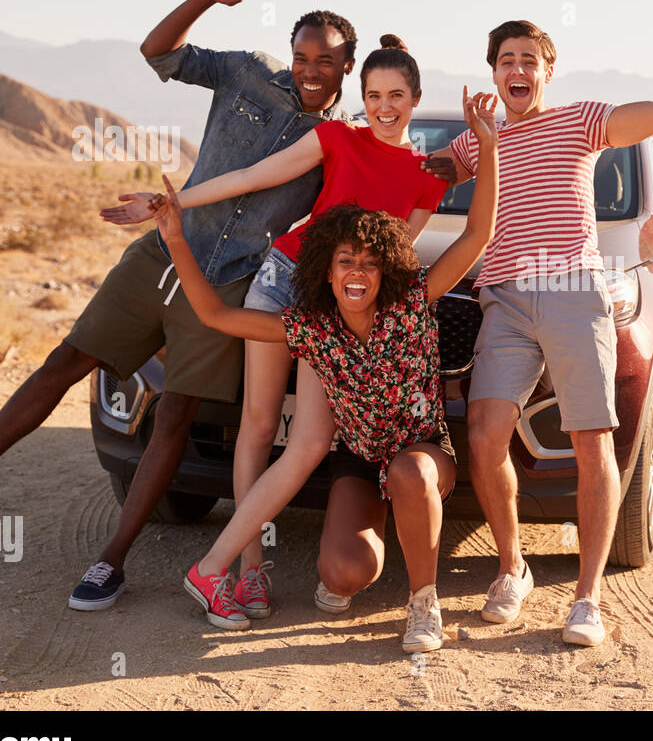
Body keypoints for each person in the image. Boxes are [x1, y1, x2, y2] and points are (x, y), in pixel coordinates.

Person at [0, 0, 361, 611]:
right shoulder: (245, 72)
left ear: (347, 65)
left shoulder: (340, 139)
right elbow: (158, 53)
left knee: (173, 416)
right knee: (62, 363)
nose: (309, 69)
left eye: (326, 60)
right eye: (301, 55)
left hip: (225, 288)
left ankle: (110, 562)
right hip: (157, 255)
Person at [426, 0, 653, 645]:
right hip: (505, 300)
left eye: (528, 59)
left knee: (591, 443)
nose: (515, 69)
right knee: (488, 436)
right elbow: (418, 174)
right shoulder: (477, 137)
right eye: (504, 61)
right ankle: (512, 567)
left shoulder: (583, 122)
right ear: (493, 74)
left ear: (548, 71)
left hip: (577, 295)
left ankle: (587, 598)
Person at [99, 35, 447, 619]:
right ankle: (246, 572)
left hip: (333, 306)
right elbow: (254, 177)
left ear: (415, 97)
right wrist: (173, 205)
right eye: (373, 95)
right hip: (284, 276)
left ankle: (216, 568)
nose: (384, 107)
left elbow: (397, 258)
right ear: (361, 97)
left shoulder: (429, 176)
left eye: (396, 96)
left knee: (308, 442)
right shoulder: (337, 136)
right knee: (259, 427)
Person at [155, 86, 498, 653]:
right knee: (341, 572)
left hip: (419, 453)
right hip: (361, 458)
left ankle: (423, 604)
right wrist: (175, 237)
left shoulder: (411, 301)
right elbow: (217, 315)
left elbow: (476, 235)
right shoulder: (314, 329)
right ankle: (220, 569)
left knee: (411, 475)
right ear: (325, 274)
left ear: (388, 267)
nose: (357, 274)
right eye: (344, 264)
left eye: (369, 263)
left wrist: (485, 149)